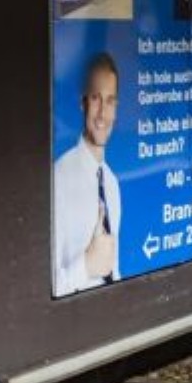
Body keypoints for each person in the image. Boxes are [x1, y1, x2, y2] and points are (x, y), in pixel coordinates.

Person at [53, 52, 122, 296]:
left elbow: (114, 269)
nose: (103, 113)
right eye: (95, 98)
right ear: (83, 103)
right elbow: (44, 288)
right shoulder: (58, 180)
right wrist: (87, 266)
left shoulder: (111, 184)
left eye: (110, 101)